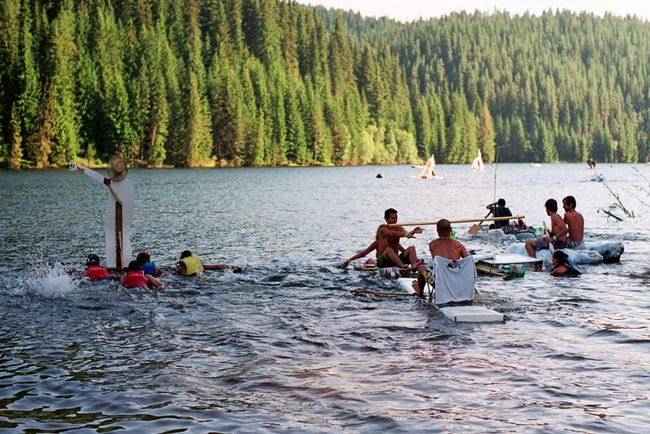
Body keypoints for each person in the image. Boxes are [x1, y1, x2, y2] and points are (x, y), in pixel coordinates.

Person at [413, 219, 469, 297]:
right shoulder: (459, 245)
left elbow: (437, 263)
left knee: (421, 268)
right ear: (450, 230)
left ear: (437, 230)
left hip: (439, 283)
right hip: (456, 282)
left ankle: (420, 293)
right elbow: (467, 263)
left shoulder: (433, 244)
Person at [525, 199, 568, 270]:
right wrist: (549, 233)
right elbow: (557, 232)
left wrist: (553, 238)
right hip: (558, 242)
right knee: (539, 239)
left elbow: (565, 229)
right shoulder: (555, 216)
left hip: (557, 243)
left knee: (528, 244)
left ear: (547, 209)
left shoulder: (554, 216)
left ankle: (536, 263)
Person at [176, 250, 243, 276]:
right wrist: (234, 267)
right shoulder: (199, 266)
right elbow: (216, 266)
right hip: (204, 276)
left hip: (192, 282)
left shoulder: (181, 269)